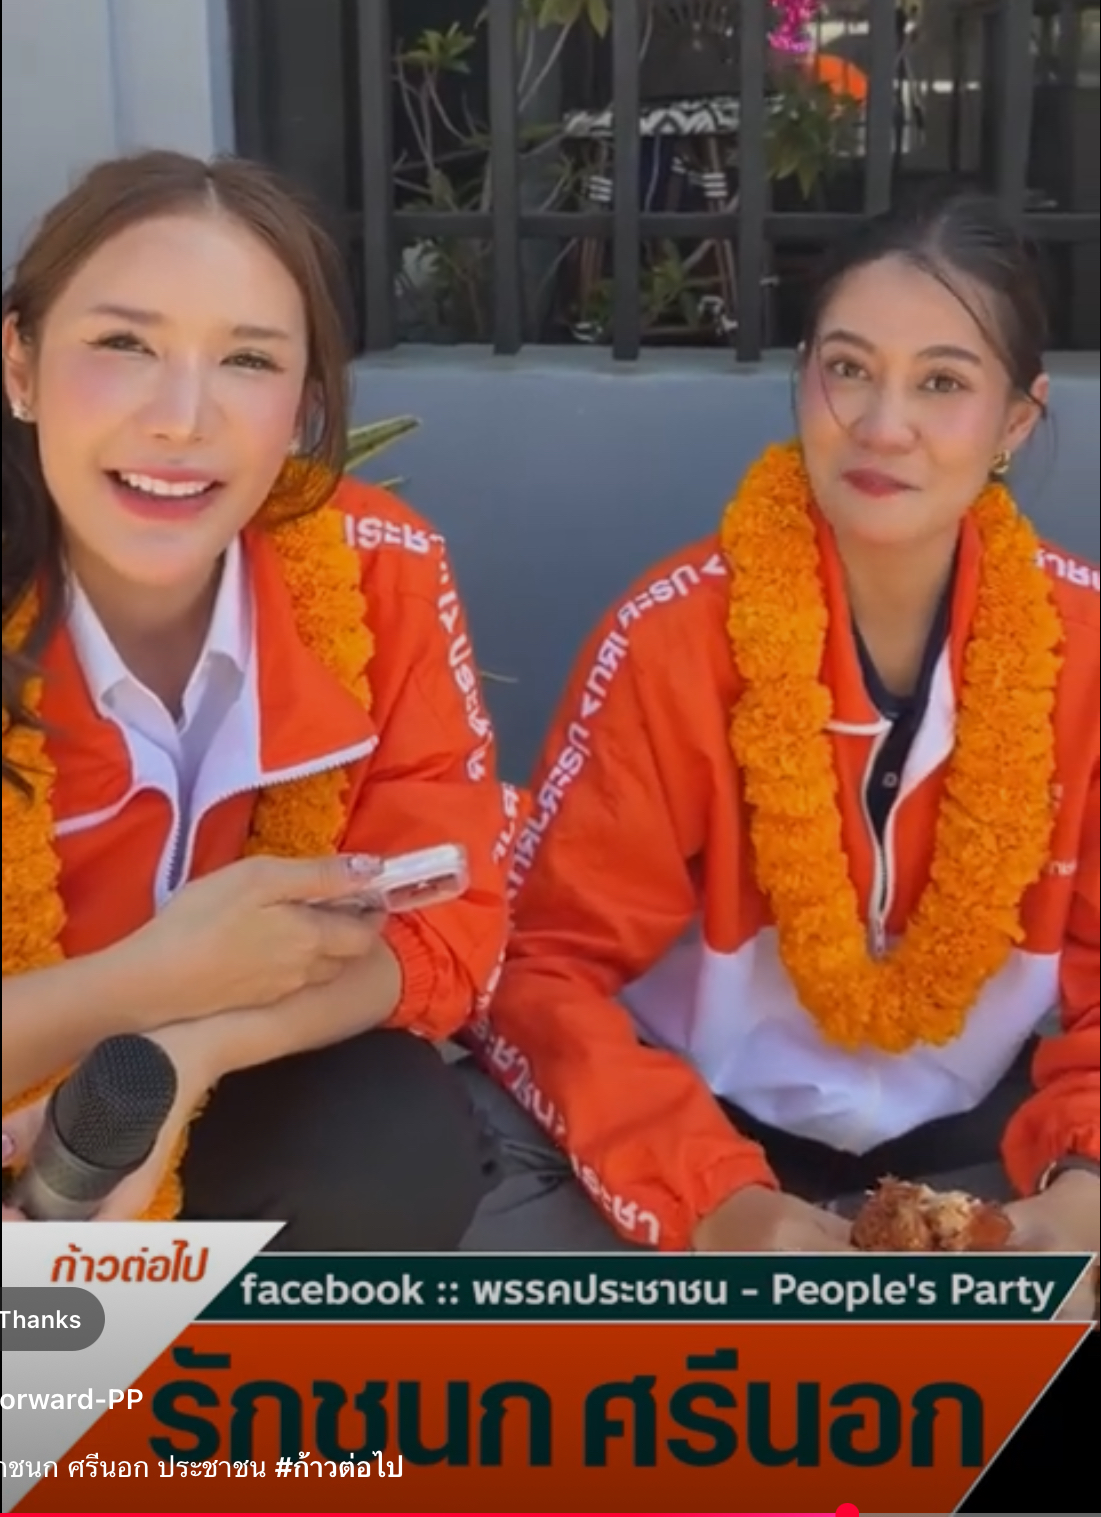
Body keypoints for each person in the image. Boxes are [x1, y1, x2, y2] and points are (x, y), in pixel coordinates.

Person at [460, 191, 1099, 1314]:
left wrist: (1083, 1199)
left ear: (1016, 420)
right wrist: (716, 1202)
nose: (883, 425)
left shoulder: (1085, 647)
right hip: (687, 1132)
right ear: (803, 380)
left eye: (942, 383)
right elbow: (539, 967)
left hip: (982, 1142)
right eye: (848, 368)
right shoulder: (672, 638)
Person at [1, 150, 516, 1248]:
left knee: (389, 1138)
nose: (181, 418)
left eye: (247, 359)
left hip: (190, 1096)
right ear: (21, 367)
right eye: (124, 344)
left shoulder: (378, 570)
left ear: (302, 406)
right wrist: (146, 981)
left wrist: (192, 1047)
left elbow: (449, 922)